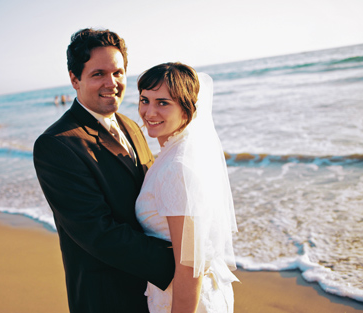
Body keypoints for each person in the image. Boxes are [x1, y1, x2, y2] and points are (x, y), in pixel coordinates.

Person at [33, 28, 175, 313]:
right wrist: (181, 261)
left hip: (155, 293)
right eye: (98, 74)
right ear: (74, 79)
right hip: (108, 297)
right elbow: (99, 233)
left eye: (118, 72)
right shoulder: (56, 145)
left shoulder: (133, 125)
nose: (112, 83)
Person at [135, 63, 239, 313]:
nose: (149, 111)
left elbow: (190, 264)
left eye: (163, 103)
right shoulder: (175, 153)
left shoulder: (177, 167)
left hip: (185, 301)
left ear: (187, 109)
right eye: (144, 100)